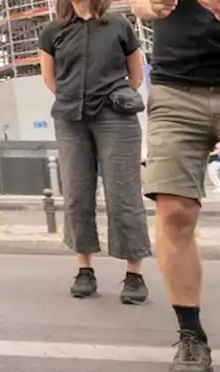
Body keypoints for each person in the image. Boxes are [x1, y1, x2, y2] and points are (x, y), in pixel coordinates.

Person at [128, 0, 220, 372]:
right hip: (176, 89)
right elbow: (139, 5)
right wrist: (149, 7)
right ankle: (191, 337)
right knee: (174, 212)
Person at [39, 0, 152, 303]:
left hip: (116, 117)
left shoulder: (119, 25)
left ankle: (134, 274)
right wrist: (75, 97)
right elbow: (50, 79)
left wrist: (111, 97)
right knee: (77, 194)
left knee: (124, 194)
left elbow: (136, 76)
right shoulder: (52, 31)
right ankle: (85, 269)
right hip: (70, 119)